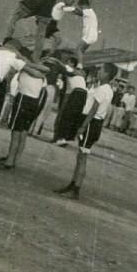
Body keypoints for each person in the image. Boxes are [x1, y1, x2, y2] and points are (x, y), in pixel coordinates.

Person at [55, 63, 118, 199]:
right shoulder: (106, 89)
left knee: (82, 157)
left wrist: (83, 126)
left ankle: (76, 188)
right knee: (80, 156)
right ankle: (73, 184)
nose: (98, 72)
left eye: (101, 70)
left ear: (107, 74)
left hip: (91, 123)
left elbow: (93, 109)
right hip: (94, 122)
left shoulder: (102, 89)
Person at [0, 63, 51, 170]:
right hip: (34, 101)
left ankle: (9, 161)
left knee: (15, 131)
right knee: (23, 132)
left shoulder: (25, 69)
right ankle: (15, 159)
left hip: (23, 99)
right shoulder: (43, 77)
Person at [52, 58, 88, 146]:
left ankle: (60, 138)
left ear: (72, 63)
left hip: (75, 93)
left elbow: (64, 68)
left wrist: (53, 60)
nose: (66, 64)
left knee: (65, 116)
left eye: (68, 62)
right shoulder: (79, 73)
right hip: (81, 94)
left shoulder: (71, 70)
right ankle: (63, 138)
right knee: (71, 117)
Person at [72, 0, 99, 68]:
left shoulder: (88, 11)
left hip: (89, 34)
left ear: (84, 5)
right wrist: (73, 11)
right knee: (81, 51)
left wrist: (70, 8)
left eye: (81, 7)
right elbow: (79, 13)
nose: (81, 8)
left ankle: (80, 66)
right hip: (92, 35)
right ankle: (80, 64)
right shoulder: (89, 13)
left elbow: (79, 12)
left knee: (78, 49)